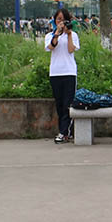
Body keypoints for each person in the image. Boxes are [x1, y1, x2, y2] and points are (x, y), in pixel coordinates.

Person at [44, 8, 80, 144]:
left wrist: (68, 34)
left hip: (69, 72)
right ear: (54, 20)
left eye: (64, 20)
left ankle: (64, 132)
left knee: (67, 104)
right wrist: (57, 34)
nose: (61, 22)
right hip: (55, 73)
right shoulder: (50, 35)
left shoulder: (73, 35)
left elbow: (71, 49)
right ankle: (64, 132)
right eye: (59, 19)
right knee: (59, 104)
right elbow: (51, 47)